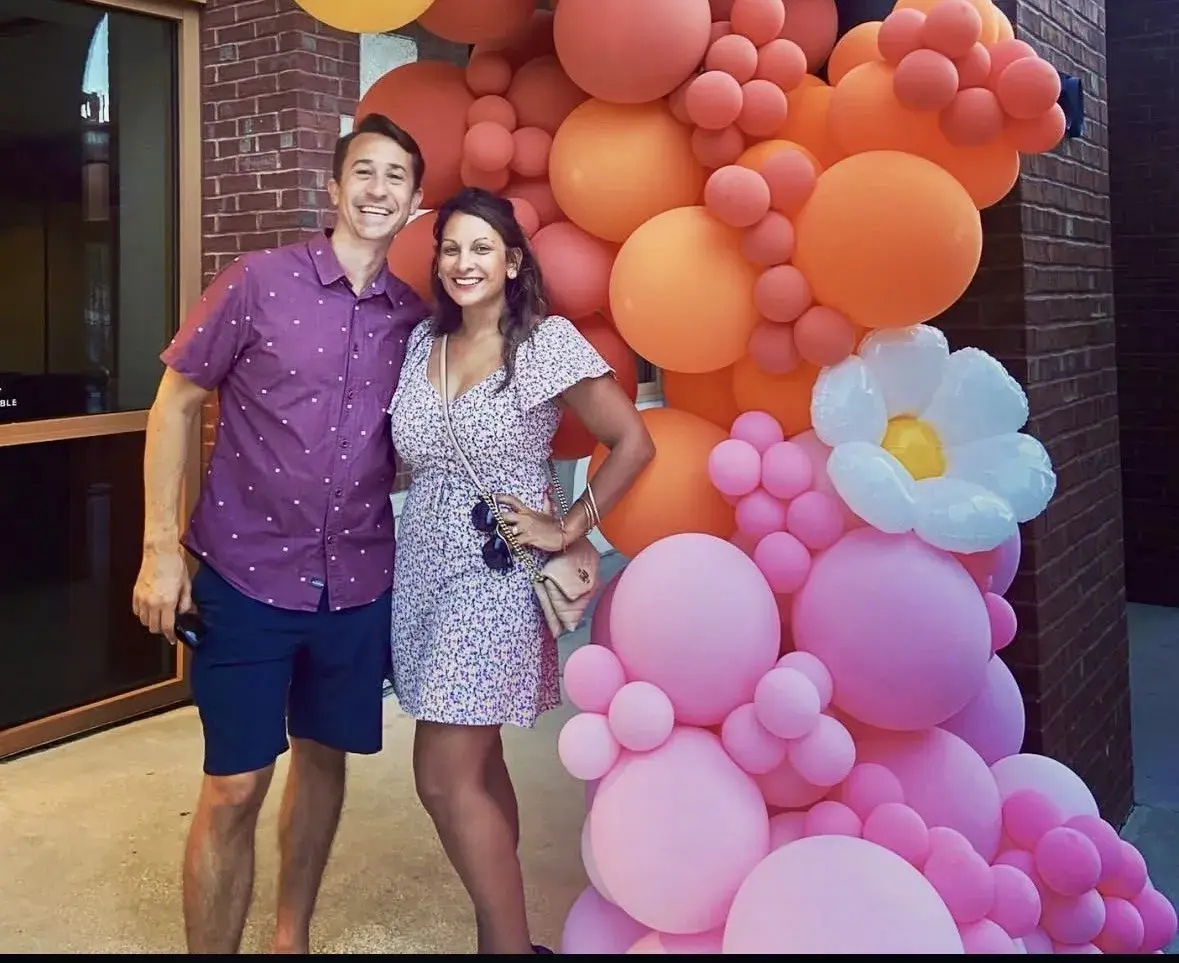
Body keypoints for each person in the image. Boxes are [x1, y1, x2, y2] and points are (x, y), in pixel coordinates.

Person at [131, 113, 428, 954]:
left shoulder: (412, 320)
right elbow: (177, 403)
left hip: (357, 584)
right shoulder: (257, 281)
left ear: (414, 201)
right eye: (363, 172)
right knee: (234, 783)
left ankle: (288, 936)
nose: (378, 189)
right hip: (248, 577)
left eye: (396, 177)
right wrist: (160, 549)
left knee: (324, 759)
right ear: (333, 189)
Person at [387, 187, 656, 954]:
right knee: (477, 764)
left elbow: (632, 442)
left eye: (481, 248)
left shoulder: (544, 341)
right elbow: (413, 461)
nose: (463, 262)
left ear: (510, 262)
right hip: (424, 572)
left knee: (441, 777)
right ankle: (506, 938)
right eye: (450, 248)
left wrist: (567, 523)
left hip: (496, 576)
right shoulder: (420, 347)